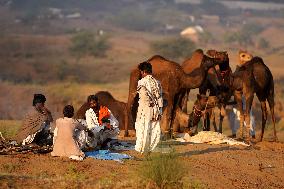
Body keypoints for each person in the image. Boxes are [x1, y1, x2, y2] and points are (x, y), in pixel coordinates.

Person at [134, 61, 163, 154]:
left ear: (143, 72)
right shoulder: (157, 82)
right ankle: (151, 149)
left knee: (143, 129)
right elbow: (160, 98)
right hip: (156, 110)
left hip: (145, 110)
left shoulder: (141, 82)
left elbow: (143, 98)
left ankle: (143, 150)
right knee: (153, 129)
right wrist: (159, 111)